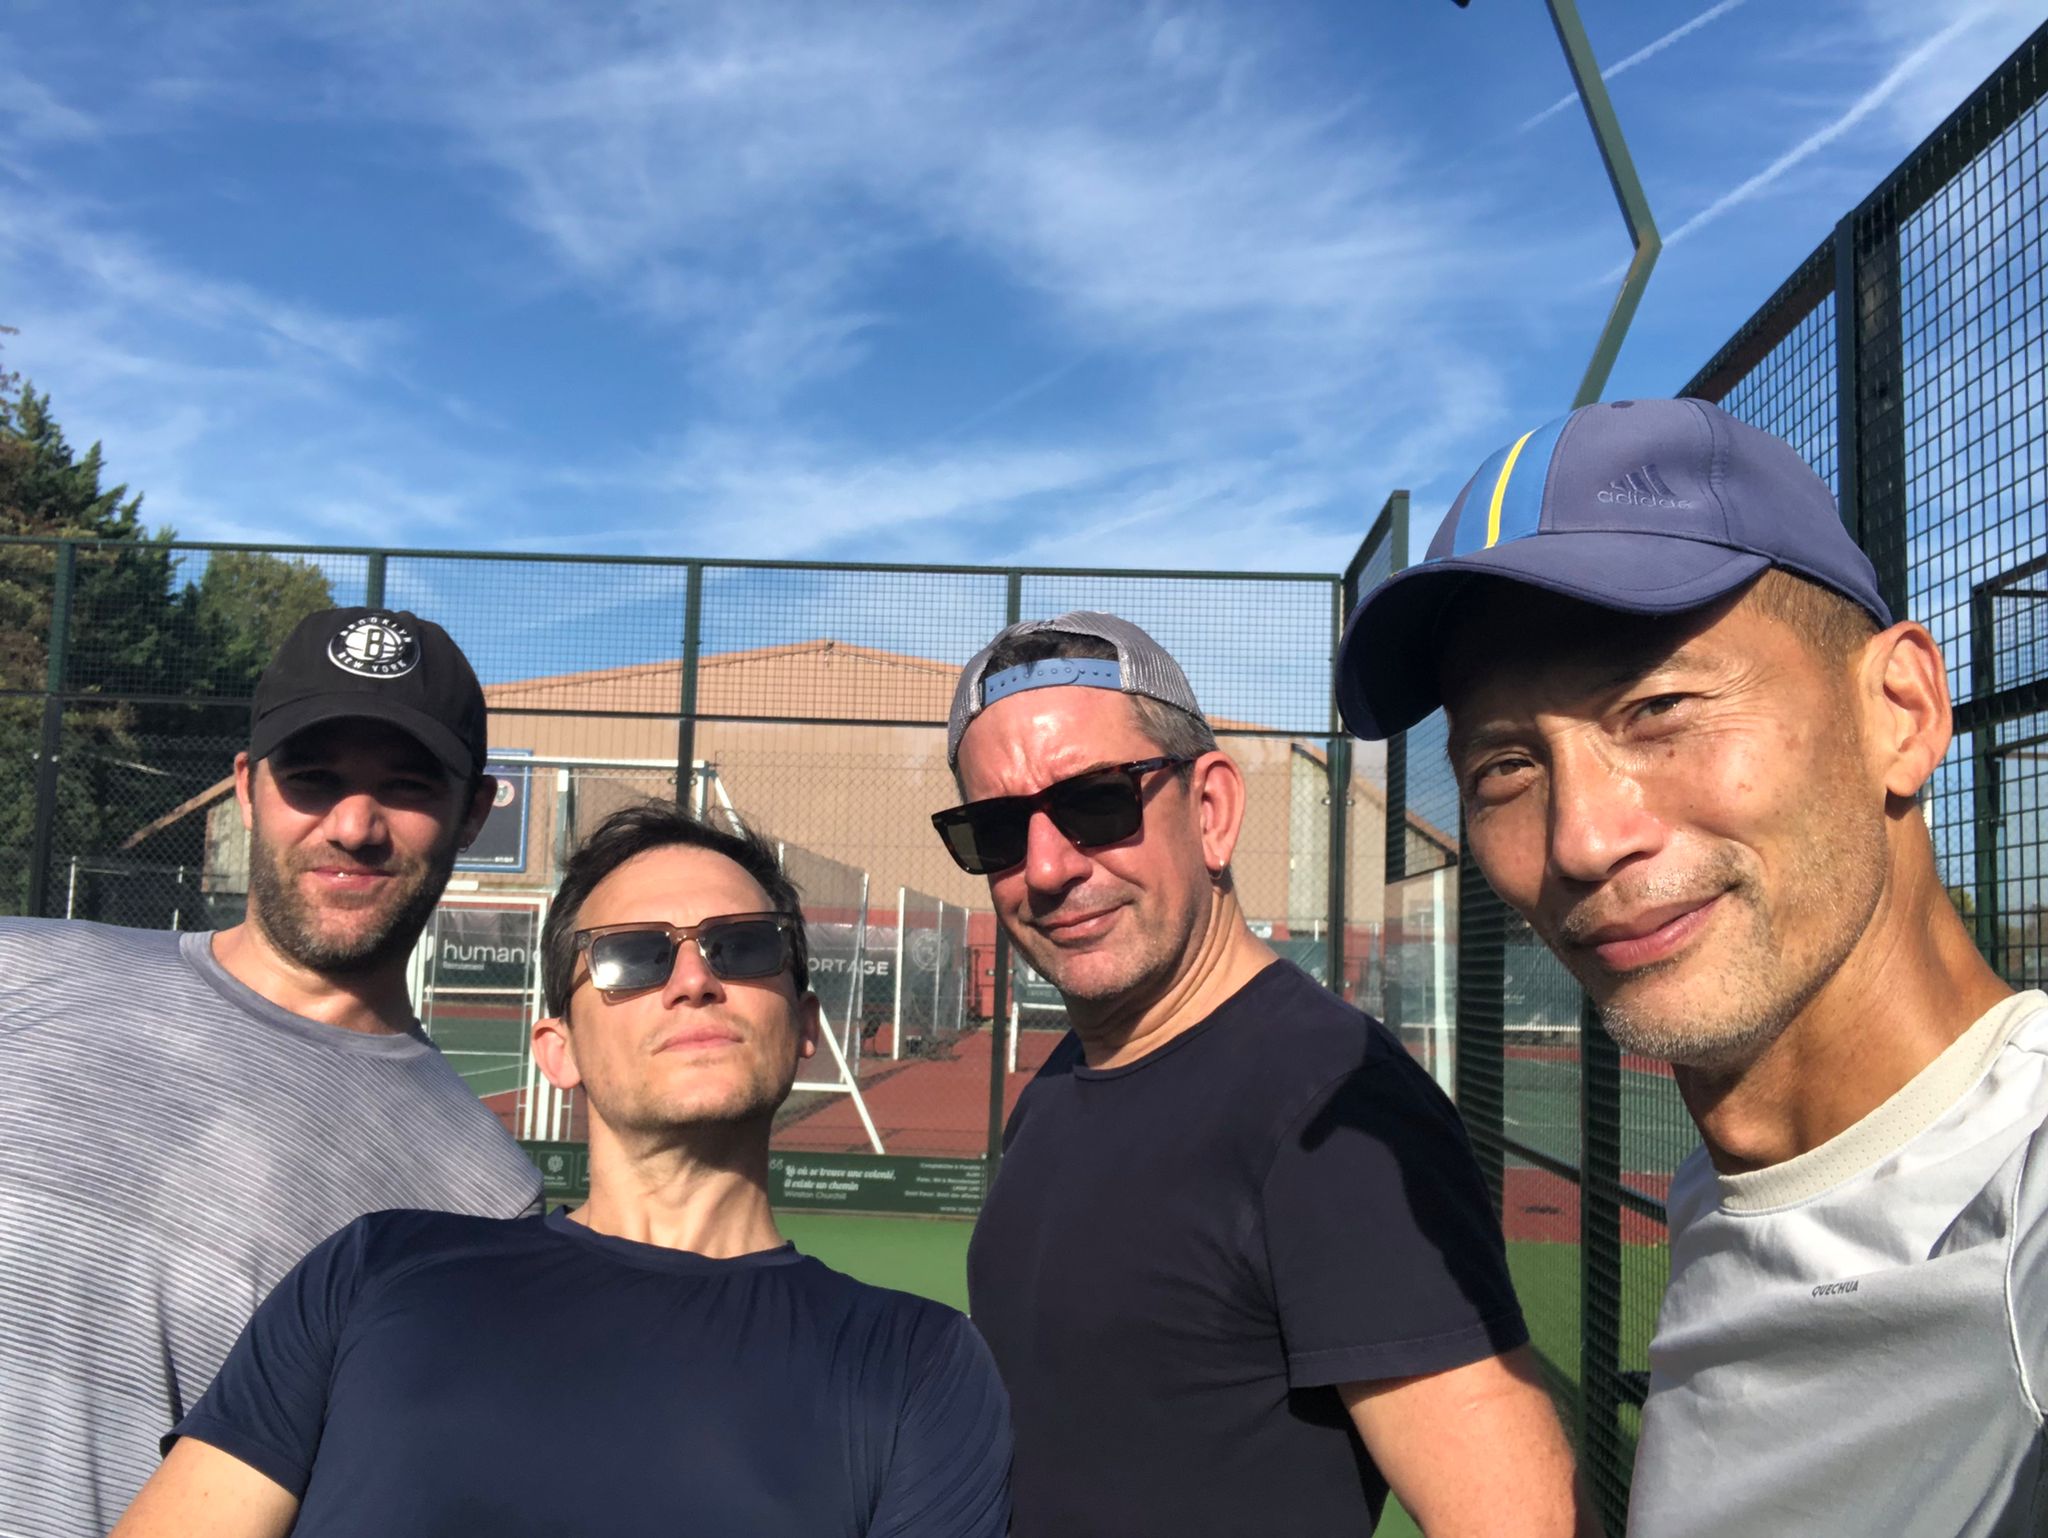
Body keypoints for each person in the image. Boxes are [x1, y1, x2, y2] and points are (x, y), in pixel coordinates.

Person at [1335, 396, 2046, 1537]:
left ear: (1900, 711)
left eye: (1659, 707)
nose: (1581, 838)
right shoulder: (1723, 1187)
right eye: (1505, 767)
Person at [113, 802, 1012, 1538]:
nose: (692, 980)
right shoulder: (376, 1270)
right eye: (633, 955)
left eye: (742, 945)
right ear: (558, 1048)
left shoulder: (919, 1364)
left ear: (806, 1024)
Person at [939, 611, 1587, 1538]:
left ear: (1210, 810)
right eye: (998, 829)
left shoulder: (1336, 1112)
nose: (1045, 868)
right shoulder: (1073, 1072)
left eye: (1096, 803)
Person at [0, 607, 542, 1538]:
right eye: (314, 778)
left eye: (407, 785)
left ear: (473, 813)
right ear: (248, 788)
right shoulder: (20, 972)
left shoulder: (486, 1202)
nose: (355, 826)